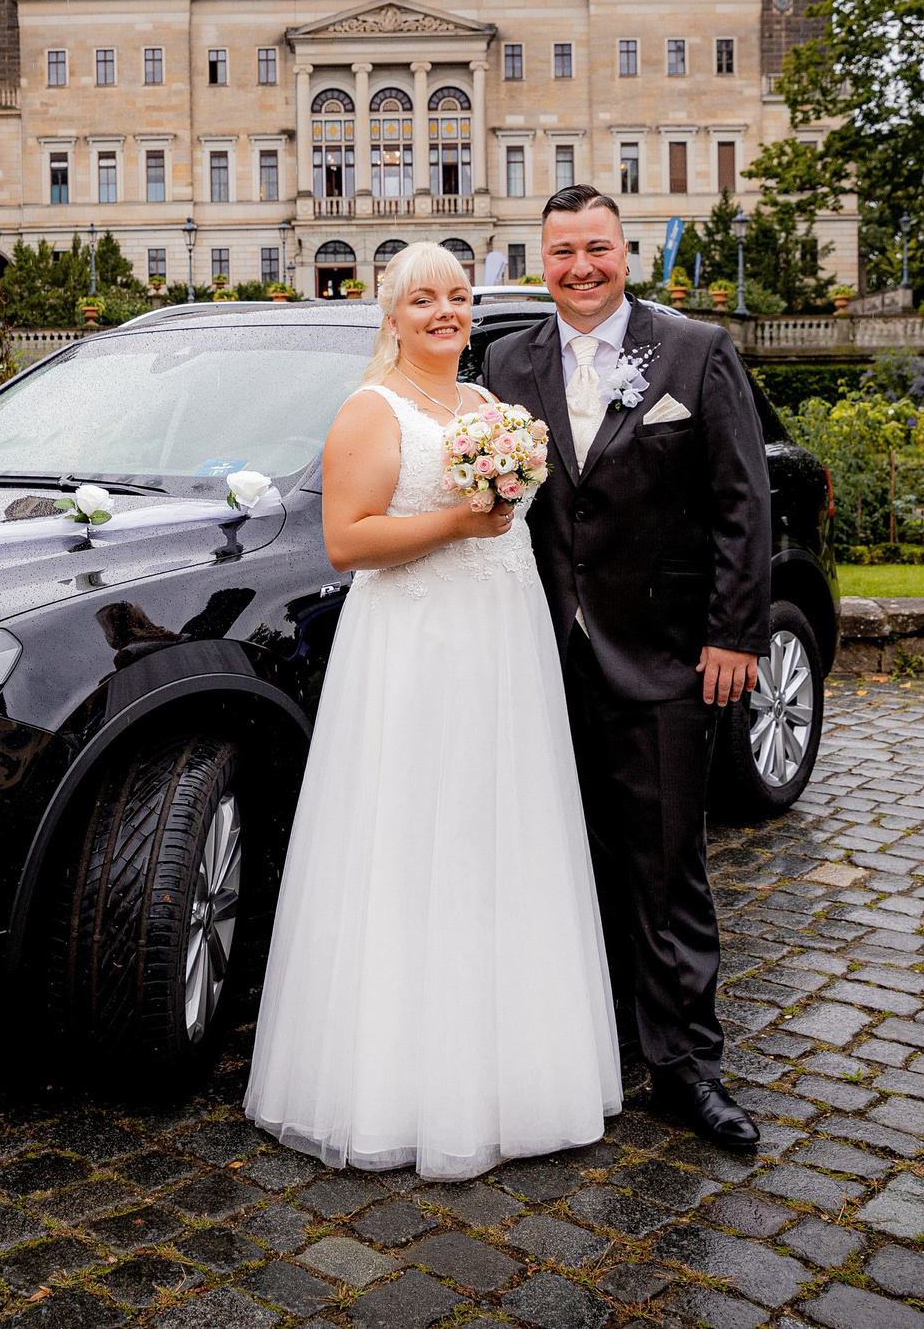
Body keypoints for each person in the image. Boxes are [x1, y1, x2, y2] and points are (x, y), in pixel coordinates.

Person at [247, 244, 620, 1180]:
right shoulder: (373, 411)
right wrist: (459, 520)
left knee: (501, 839)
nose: (445, 313)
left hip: (502, 644)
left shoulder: (493, 411)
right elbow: (346, 541)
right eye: (425, 300)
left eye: (457, 296)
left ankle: (518, 1076)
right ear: (393, 314)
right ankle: (402, 1086)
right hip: (414, 651)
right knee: (417, 839)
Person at [483, 186, 772, 1153]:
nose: (579, 267)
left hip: (662, 658)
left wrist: (734, 634)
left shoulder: (695, 353)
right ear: (542, 258)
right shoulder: (505, 362)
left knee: (666, 867)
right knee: (566, 863)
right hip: (542, 666)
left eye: (596, 247)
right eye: (561, 250)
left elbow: (743, 503)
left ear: (626, 252)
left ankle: (689, 1069)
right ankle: (591, 1047)